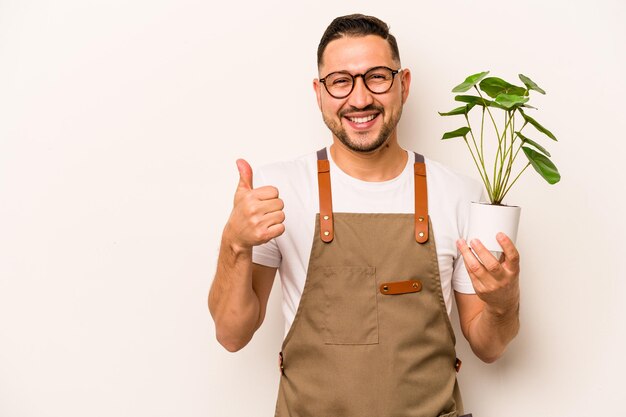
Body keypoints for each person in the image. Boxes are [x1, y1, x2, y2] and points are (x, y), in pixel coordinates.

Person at [209, 13, 520, 417]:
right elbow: (232, 335)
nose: (359, 99)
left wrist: (503, 302)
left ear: (403, 84)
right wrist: (234, 242)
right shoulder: (277, 191)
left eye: (377, 77)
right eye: (341, 81)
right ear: (319, 92)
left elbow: (489, 347)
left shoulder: (459, 193)